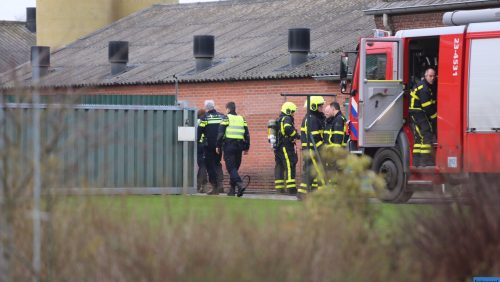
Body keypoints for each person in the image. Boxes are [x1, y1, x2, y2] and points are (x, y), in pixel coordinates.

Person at [217, 102, 250, 197]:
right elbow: (247, 134)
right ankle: (232, 190)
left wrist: (217, 146)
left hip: (229, 146)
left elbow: (220, 133)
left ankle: (240, 184)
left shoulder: (226, 118)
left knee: (231, 168)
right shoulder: (241, 118)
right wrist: (247, 147)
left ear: (227, 109)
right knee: (235, 167)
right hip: (239, 147)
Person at [409, 68, 437, 167]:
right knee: (427, 133)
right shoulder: (424, 88)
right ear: (425, 76)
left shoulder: (426, 86)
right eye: (430, 76)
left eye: (434, 76)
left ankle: (416, 162)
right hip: (418, 111)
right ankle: (426, 161)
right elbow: (427, 107)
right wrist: (435, 118)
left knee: (419, 138)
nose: (432, 78)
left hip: (415, 112)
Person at [298, 96, 325, 199]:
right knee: (319, 171)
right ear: (314, 107)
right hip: (312, 150)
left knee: (310, 171)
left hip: (311, 150)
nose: (322, 108)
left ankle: (302, 193)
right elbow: (315, 138)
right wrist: (322, 149)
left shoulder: (313, 117)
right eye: (320, 106)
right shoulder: (312, 119)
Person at [198, 100, 225, 195]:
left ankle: (215, 187)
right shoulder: (222, 116)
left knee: (210, 166)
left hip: (208, 145)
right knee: (217, 164)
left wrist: (197, 142)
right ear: (213, 106)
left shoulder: (204, 118)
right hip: (219, 146)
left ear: (206, 108)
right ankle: (220, 185)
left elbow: (199, 132)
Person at [274, 102, 299, 195]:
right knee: (289, 165)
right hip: (285, 146)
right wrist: (296, 135)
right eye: (292, 112)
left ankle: (280, 189)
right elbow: (288, 129)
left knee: (279, 166)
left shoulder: (280, 119)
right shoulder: (287, 118)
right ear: (288, 111)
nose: (293, 114)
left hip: (278, 147)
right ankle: (291, 189)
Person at [196, 109, 209, 193]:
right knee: (203, 165)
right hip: (204, 144)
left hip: (198, 145)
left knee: (201, 165)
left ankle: (200, 185)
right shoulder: (205, 122)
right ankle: (201, 185)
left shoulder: (196, 121)